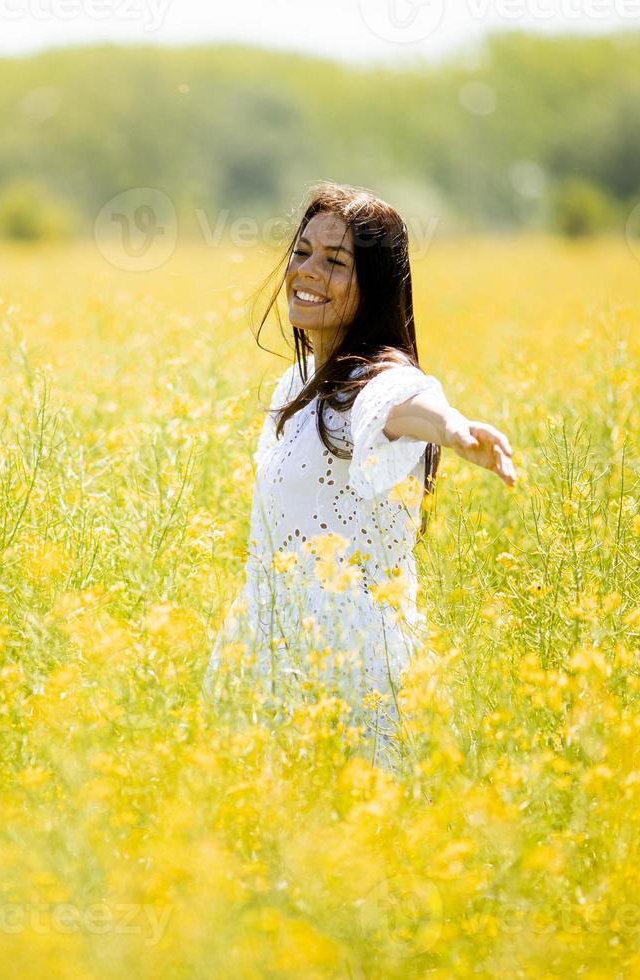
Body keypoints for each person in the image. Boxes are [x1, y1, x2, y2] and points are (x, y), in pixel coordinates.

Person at [204, 181, 518, 774]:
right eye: (302, 253)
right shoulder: (299, 379)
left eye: (336, 261)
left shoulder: (368, 381)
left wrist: (452, 428)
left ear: (373, 285)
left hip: (345, 663)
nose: (308, 272)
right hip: (274, 640)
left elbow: (397, 405)